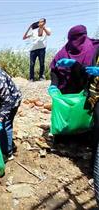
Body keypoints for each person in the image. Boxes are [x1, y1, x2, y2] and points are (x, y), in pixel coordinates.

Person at [48, 25, 99, 202]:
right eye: (72, 38)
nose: (75, 42)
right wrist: (53, 85)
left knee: (83, 117)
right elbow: (54, 68)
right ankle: (64, 137)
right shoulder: (64, 50)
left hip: (83, 89)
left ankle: (82, 137)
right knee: (65, 116)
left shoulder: (93, 48)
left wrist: (76, 65)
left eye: (79, 37)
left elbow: (89, 71)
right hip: (65, 89)